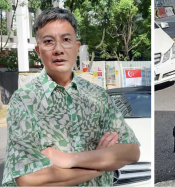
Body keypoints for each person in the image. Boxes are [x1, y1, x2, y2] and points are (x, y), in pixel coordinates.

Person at [2, 7, 140, 187]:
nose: (58, 49)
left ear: (76, 47)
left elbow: (131, 152)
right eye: (49, 41)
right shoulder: (25, 101)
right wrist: (98, 166)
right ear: (38, 50)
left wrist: (68, 159)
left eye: (66, 40)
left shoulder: (97, 96)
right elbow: (27, 178)